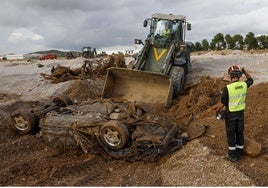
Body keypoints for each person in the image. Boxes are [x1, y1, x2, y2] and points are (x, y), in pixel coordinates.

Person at [212, 65, 253, 163]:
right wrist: (245, 71)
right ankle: (239, 152)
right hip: (240, 115)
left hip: (231, 115)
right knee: (239, 133)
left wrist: (216, 108)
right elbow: (251, 80)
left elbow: (223, 103)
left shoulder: (228, 88)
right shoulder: (244, 85)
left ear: (230, 76)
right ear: (239, 75)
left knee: (231, 134)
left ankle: (232, 154)